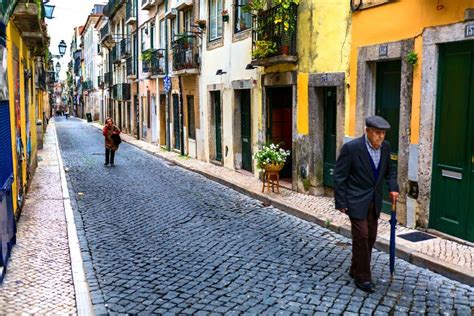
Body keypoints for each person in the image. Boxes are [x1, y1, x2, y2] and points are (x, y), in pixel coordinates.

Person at [333, 115, 399, 293]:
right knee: (361, 236)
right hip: (355, 200)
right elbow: (339, 176)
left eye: (383, 133)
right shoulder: (352, 148)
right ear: (367, 131)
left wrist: (393, 187)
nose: (381, 137)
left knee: (370, 237)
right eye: (377, 133)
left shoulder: (386, 148)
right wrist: (341, 201)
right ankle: (363, 277)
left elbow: (390, 171)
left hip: (374, 201)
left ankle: (355, 268)